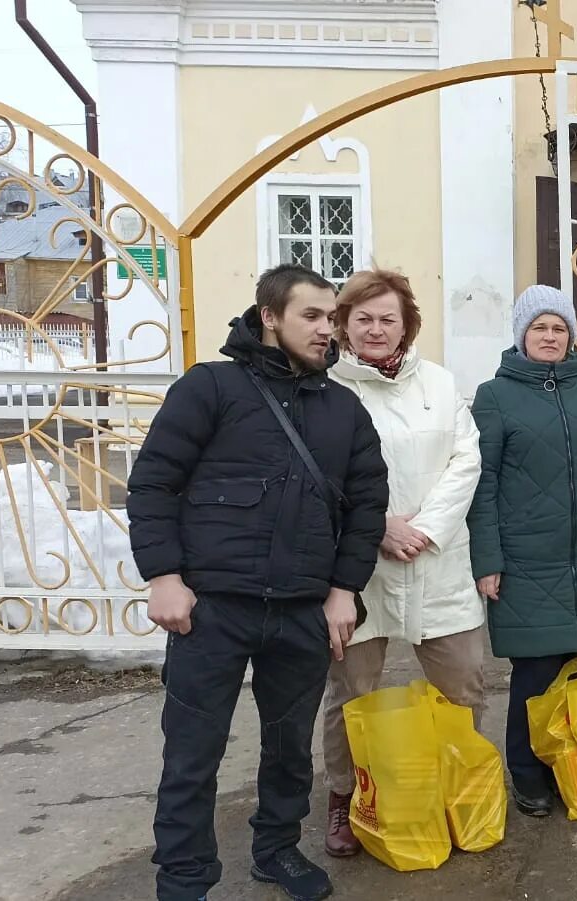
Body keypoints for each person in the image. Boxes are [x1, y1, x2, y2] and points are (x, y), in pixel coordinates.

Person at [128, 263, 387, 901]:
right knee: (192, 752)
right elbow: (153, 483)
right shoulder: (210, 389)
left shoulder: (344, 409)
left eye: (332, 318)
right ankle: (184, 877)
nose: (329, 330)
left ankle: (276, 849)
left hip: (300, 610)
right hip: (211, 609)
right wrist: (164, 577)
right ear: (269, 316)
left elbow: (366, 507)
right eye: (313, 316)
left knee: (288, 749)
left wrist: (341, 589)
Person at [318, 269, 486, 856]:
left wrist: (424, 529)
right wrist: (379, 528)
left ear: (407, 324)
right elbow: (320, 476)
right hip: (358, 568)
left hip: (437, 561)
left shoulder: (438, 383)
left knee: (464, 684)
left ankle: (463, 790)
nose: (376, 329)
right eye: (362, 318)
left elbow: (466, 460)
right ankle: (347, 798)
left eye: (388, 318)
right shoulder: (325, 389)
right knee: (353, 692)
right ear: (342, 324)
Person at [467, 285, 577, 818]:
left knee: (573, 666)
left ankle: (567, 763)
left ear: (570, 337)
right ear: (522, 334)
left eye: (559, 328)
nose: (549, 336)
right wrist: (487, 559)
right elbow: (482, 482)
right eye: (539, 327)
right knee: (535, 671)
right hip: (525, 558)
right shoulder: (493, 395)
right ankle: (526, 771)